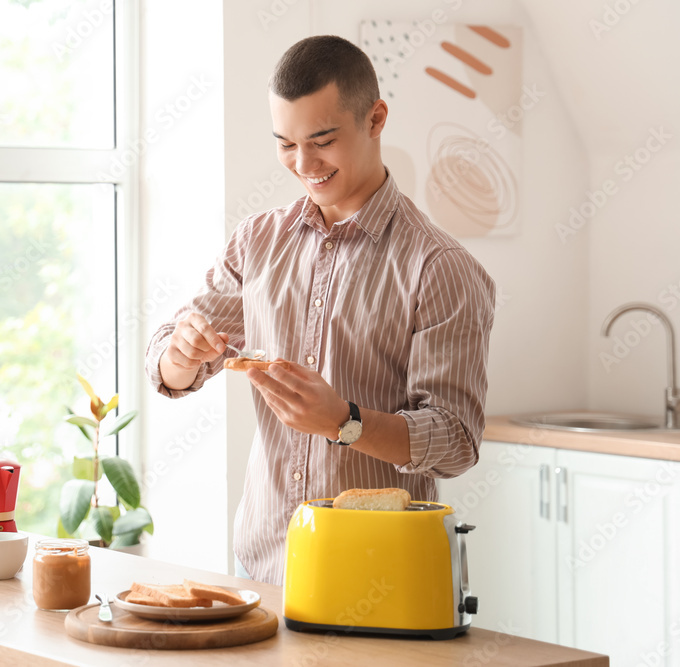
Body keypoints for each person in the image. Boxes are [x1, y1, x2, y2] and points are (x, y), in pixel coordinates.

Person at [144, 35, 496, 585]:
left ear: (375, 118)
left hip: (379, 577)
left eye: (322, 140)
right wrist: (181, 354)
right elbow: (166, 366)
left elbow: (456, 442)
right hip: (261, 568)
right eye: (285, 143)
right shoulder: (256, 242)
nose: (303, 163)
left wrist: (345, 423)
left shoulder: (440, 267)